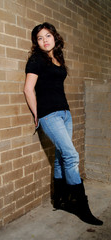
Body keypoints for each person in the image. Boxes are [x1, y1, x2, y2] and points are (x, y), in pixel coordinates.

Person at [24, 22, 103, 225]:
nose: (44, 40)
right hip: (49, 115)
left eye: (47, 36)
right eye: (40, 38)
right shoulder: (35, 60)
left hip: (65, 113)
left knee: (60, 157)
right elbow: (28, 89)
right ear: (36, 42)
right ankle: (80, 205)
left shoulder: (58, 58)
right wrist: (36, 115)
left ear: (54, 37)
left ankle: (60, 200)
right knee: (71, 155)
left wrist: (66, 112)